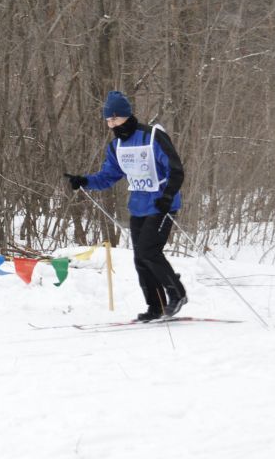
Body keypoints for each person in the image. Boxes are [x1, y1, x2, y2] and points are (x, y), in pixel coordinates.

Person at [66, 91, 187, 321]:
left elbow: (176, 169)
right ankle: (156, 307)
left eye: (115, 119)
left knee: (149, 251)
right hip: (139, 206)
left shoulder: (151, 137)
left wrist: (168, 195)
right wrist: (85, 181)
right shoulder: (116, 147)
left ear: (126, 116)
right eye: (108, 121)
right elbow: (109, 176)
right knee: (140, 258)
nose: (112, 125)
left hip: (162, 205)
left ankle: (177, 293)